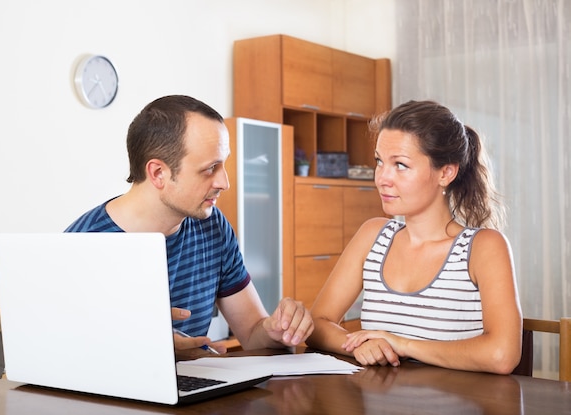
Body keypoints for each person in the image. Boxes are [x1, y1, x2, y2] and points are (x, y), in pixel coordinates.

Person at [65, 94, 313, 354]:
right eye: (210, 168)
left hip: (198, 387)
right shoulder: (83, 245)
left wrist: (276, 329)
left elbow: (252, 332)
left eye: (223, 164)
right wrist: (147, 350)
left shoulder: (213, 225)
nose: (224, 183)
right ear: (158, 173)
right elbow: (65, 356)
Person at [306, 100, 522, 375]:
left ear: (446, 172)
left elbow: (502, 355)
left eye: (401, 165)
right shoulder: (373, 236)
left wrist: (402, 345)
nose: (382, 178)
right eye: (380, 162)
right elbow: (318, 324)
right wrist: (359, 345)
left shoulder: (484, 247)